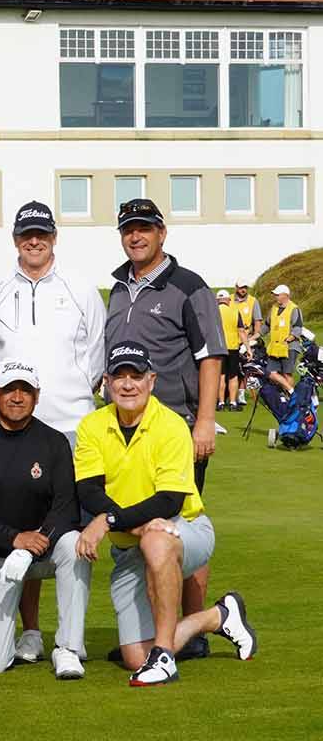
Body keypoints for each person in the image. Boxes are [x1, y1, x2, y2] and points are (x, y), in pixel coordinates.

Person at [72, 343, 257, 686]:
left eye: (137, 376)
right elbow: (89, 491)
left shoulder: (172, 426)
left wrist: (109, 520)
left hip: (186, 529)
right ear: (106, 382)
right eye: (119, 377)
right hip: (130, 545)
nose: (128, 385)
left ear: (152, 381)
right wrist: (130, 523)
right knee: (134, 658)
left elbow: (170, 501)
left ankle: (164, 658)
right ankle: (216, 617)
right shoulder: (91, 426)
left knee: (157, 538)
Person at [0, 200, 103, 663]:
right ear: (15, 239)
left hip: (71, 428)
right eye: (27, 234)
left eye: (43, 234)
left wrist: (63, 400)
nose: (35, 241)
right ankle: (31, 631)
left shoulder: (81, 289)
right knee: (23, 525)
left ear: (54, 238)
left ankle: (72, 636)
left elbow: (95, 357)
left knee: (73, 536)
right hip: (15, 428)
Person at [103, 197, 226, 659]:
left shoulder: (189, 287)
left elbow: (210, 356)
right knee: (145, 533)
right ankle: (165, 632)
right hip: (129, 434)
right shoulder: (117, 287)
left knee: (183, 526)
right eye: (128, 229)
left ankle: (190, 635)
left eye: (144, 228)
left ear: (162, 233)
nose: (136, 236)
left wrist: (206, 422)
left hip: (178, 431)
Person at [0, 359, 90, 678]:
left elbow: (66, 505)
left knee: (75, 545)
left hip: (39, 552)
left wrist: (34, 541)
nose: (17, 397)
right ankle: (21, 636)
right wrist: (13, 538)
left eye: (25, 390)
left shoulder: (54, 442)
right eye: (10, 389)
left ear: (37, 396)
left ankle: (68, 648)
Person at [262, 284, 305, 394]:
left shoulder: (294, 309)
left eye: (277, 294)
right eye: (275, 295)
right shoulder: (274, 308)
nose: (275, 297)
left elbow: (298, 326)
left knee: (287, 373)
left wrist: (291, 337)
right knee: (271, 373)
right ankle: (291, 392)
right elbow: (267, 325)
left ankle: (290, 397)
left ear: (285, 295)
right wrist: (256, 335)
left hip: (289, 347)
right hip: (275, 347)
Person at [232, 282, 263, 404]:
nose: (243, 290)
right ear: (236, 287)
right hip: (230, 339)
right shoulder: (229, 299)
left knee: (244, 368)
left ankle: (241, 394)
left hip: (246, 340)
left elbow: (257, 320)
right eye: (241, 287)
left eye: (245, 287)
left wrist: (255, 336)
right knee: (231, 369)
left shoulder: (252, 301)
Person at [215, 290, 243, 410]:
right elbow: (241, 331)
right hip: (233, 347)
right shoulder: (235, 312)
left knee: (221, 376)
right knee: (233, 376)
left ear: (217, 300)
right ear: (228, 300)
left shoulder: (213, 312)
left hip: (218, 347)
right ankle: (232, 403)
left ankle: (220, 403)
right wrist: (248, 348)